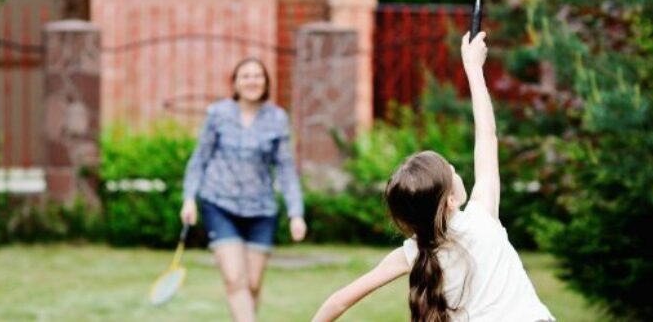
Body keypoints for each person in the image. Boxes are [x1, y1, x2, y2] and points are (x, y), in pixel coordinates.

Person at [313, 32, 554, 322]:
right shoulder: (482, 218)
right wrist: (474, 69)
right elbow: (487, 136)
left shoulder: (413, 253)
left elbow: (337, 302)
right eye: (451, 171)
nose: (456, 171)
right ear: (450, 200)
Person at [181, 57, 307, 322]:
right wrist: (189, 198)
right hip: (219, 204)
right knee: (234, 279)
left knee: (251, 285)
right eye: (245, 76)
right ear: (235, 83)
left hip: (261, 210)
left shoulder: (277, 118)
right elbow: (199, 159)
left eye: (258, 75)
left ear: (266, 82)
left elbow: (285, 169)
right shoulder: (218, 113)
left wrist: (296, 213)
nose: (252, 81)